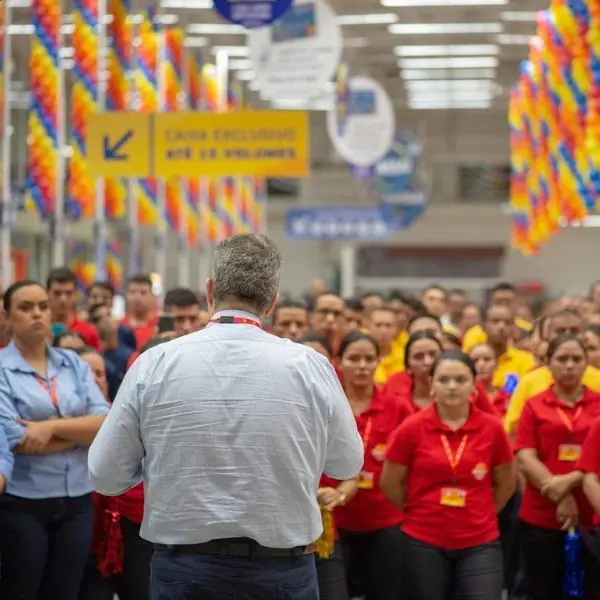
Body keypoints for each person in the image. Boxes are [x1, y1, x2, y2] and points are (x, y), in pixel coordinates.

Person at [88, 233, 364, 600]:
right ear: (272, 302)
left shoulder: (155, 364)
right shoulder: (310, 367)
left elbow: (105, 474)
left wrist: (158, 462)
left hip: (185, 571)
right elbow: (348, 461)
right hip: (282, 571)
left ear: (210, 290)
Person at [0, 280, 109, 600]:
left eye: (42, 307)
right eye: (26, 307)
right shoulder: (2, 369)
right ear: (7, 316)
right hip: (23, 502)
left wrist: (47, 429)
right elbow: (15, 438)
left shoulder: (72, 362)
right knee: (21, 589)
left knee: (65, 592)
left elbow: (106, 423)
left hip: (77, 499)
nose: (37, 314)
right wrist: (80, 434)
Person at [381, 350, 515, 600]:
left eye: (461, 380)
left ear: (474, 384)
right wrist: (418, 511)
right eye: (443, 380)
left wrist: (482, 511)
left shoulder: (492, 427)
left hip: (479, 540)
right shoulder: (411, 427)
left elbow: (506, 482)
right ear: (431, 384)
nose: (452, 387)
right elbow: (390, 482)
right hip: (423, 538)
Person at [515, 334, 600, 600]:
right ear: (547, 363)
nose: (570, 365)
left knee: (591, 590)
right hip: (541, 512)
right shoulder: (534, 405)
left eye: (576, 359)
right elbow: (525, 456)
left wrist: (569, 480)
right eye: (562, 359)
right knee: (542, 589)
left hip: (591, 514)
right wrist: (560, 493)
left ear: (587, 363)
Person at [334, 331, 405, 600]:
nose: (362, 365)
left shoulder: (397, 407)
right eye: (354, 359)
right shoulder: (329, 405)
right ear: (339, 362)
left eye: (369, 359)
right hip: (335, 521)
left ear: (378, 362)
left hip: (385, 521)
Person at [47, 267, 101, 350]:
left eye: (68, 293)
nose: (63, 299)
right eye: (57, 293)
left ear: (75, 295)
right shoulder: (39, 329)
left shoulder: (89, 331)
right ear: (47, 294)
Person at [120, 274, 158, 348]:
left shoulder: (159, 326)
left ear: (152, 297)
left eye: (143, 293)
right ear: (127, 296)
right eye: (132, 292)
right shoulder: (119, 326)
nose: (137, 298)